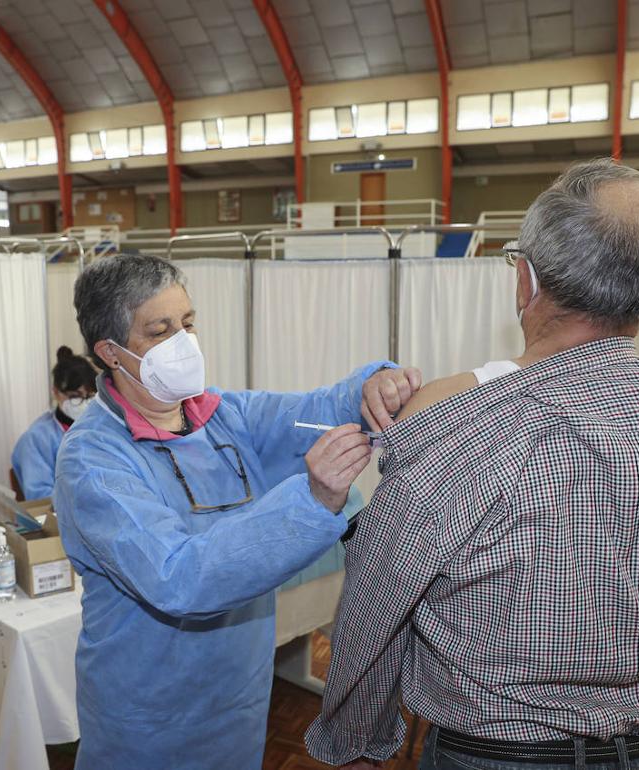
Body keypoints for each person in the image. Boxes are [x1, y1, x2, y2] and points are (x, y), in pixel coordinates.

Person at [307, 159, 639, 770]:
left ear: (527, 282)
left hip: (490, 757)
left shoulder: (455, 429)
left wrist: (357, 747)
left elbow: (373, 617)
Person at [52, 254, 422, 770]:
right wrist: (312, 503)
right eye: (159, 332)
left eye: (188, 324)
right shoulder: (93, 460)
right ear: (111, 353)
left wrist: (372, 384)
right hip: (148, 720)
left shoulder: (225, 417)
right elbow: (180, 578)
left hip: (237, 705)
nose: (183, 342)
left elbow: (314, 410)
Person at [10, 345, 96, 500]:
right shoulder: (37, 439)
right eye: (75, 396)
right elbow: (40, 496)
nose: (84, 403)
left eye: (90, 396)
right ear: (56, 392)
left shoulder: (101, 428)